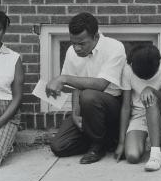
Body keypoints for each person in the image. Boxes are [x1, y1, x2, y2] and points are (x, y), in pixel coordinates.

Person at [46, 12, 126, 164]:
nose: (76, 48)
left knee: (89, 95)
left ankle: (98, 145)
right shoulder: (72, 51)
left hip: (112, 106)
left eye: (81, 43)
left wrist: (63, 78)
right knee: (59, 146)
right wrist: (75, 113)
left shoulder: (115, 47)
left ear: (95, 37)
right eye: (73, 42)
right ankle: (106, 138)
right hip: (86, 107)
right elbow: (76, 85)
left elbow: (101, 84)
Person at [114, 45, 161, 171]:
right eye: (140, 76)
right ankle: (145, 137)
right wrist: (121, 142)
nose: (145, 79)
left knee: (150, 98)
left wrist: (151, 89)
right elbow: (125, 107)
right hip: (138, 115)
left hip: (158, 112)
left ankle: (155, 154)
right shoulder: (128, 69)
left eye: (149, 76)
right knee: (132, 156)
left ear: (159, 63)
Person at [0, 9, 24, 168]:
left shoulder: (13, 58)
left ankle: (2, 142)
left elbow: (17, 97)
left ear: (3, 31)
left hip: (5, 116)